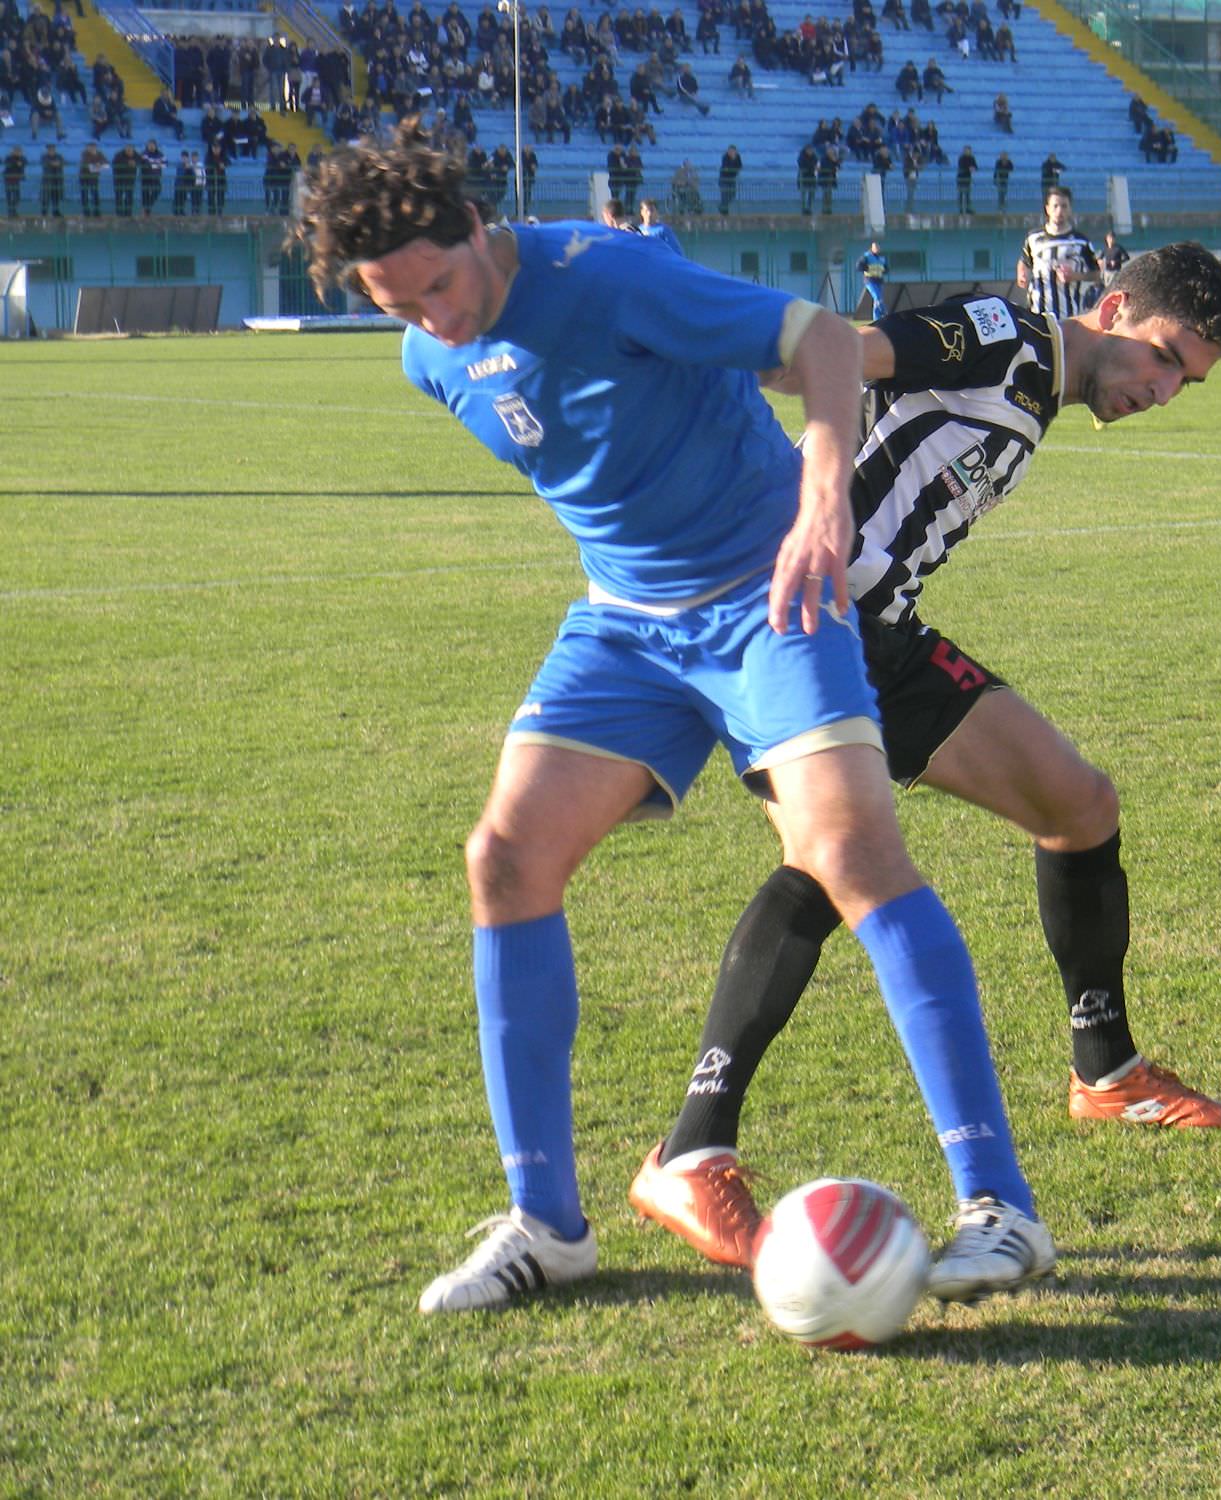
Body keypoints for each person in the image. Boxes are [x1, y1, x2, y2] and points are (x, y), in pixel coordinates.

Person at [297, 123, 1054, 1315]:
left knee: (849, 856)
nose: (431, 318)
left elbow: (817, 342)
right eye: (396, 304)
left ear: (480, 231)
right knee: (503, 855)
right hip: (626, 625)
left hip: (771, 596)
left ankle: (998, 1209)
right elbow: (594, 462)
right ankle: (546, 1227)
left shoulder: (606, 276)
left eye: (438, 285)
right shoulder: (428, 359)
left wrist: (819, 504)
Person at [632, 244, 1221, 1272]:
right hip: (799, 616)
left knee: (1078, 805)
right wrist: (699, 371)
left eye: (1186, 379)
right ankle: (691, 1148)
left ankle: (1106, 1072)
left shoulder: (1039, 385)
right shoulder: (1001, 337)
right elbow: (836, 352)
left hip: (885, 634)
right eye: (1164, 358)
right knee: (830, 863)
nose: (1164, 389)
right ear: (1112, 309)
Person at [1016, 184, 1097, 319]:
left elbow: (1097, 275)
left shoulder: (1081, 242)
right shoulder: (1033, 238)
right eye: (1055, 206)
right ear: (1047, 209)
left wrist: (1075, 276)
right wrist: (1021, 274)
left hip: (1069, 317)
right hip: (1037, 316)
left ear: (1070, 209)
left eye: (1064, 206)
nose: (1059, 211)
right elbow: (1024, 261)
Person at [854, 238, 887, 320]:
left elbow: (886, 268)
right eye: (875, 247)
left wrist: (883, 270)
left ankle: (877, 319)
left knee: (877, 300)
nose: (877, 249)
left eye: (878, 247)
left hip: (879, 280)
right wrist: (867, 268)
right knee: (877, 297)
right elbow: (858, 266)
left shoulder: (881, 258)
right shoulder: (867, 256)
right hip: (870, 280)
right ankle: (885, 314)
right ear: (872, 248)